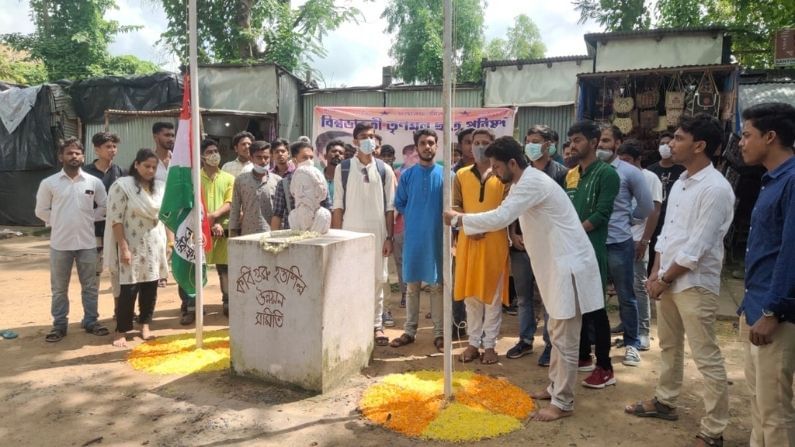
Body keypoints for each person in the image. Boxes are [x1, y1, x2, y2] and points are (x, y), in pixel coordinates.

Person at [443, 136, 604, 422]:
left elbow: (501, 217)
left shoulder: (531, 183)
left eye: (496, 166)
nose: (492, 171)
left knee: (565, 339)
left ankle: (563, 402)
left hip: (568, 268)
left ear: (513, 163)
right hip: (557, 268)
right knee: (556, 333)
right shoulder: (522, 183)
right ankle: (555, 387)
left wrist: (458, 220)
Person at [625, 114, 734, 447]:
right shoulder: (684, 181)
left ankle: (714, 429)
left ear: (699, 146)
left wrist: (665, 276)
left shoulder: (715, 188)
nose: (671, 143)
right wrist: (656, 271)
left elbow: (698, 247)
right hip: (670, 278)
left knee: (705, 355)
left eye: (679, 138)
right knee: (669, 345)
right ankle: (665, 400)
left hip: (694, 283)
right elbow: (667, 234)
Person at [737, 102, 795, 447]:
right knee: (759, 404)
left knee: (775, 410)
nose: (741, 142)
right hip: (756, 305)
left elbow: (791, 253)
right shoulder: (771, 180)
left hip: (775, 315)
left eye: (747, 135)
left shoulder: (791, 182)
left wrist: (774, 310)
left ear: (770, 137)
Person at [35, 137, 109, 343]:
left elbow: (104, 206)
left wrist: (89, 218)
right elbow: (40, 210)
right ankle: (59, 325)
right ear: (61, 157)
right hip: (60, 245)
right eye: (69, 153)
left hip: (87, 243)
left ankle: (91, 321)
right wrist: (57, 221)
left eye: (77, 153)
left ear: (83, 156)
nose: (74, 156)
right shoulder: (49, 183)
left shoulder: (93, 182)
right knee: (59, 289)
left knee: (91, 286)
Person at [564, 120, 619, 389]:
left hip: (591, 251)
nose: (573, 145)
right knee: (577, 306)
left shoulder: (607, 174)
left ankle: (605, 367)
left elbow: (601, 214)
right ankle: (583, 356)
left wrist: (574, 231)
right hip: (570, 252)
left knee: (596, 309)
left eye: (578, 140)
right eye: (571, 140)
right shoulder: (571, 174)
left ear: (594, 142)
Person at [507, 124, 568, 364]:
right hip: (521, 245)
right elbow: (509, 208)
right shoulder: (520, 173)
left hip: (548, 246)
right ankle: (525, 340)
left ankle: (550, 345)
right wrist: (513, 234)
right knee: (523, 297)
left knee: (548, 297)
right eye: (528, 140)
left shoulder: (563, 174)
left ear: (549, 145)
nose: (531, 145)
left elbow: (564, 213)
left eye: (536, 141)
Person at [332, 123, 396, 347]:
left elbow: (390, 207)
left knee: (377, 280)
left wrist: (389, 237)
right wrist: (337, 237)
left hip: (377, 233)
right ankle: (352, 324)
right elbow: (337, 205)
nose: (369, 140)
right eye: (363, 136)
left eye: (372, 136)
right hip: (350, 232)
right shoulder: (344, 168)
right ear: (355, 141)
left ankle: (376, 325)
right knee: (350, 280)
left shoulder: (384, 169)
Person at [596, 124, 653, 367]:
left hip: (619, 242)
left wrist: (629, 218)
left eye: (606, 141)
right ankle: (595, 342)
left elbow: (647, 206)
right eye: (598, 141)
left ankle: (632, 343)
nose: (601, 146)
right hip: (594, 243)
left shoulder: (630, 172)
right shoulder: (590, 170)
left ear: (618, 144)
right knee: (595, 296)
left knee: (626, 295)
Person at [453, 128, 509, 364]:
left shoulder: (503, 176)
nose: (479, 146)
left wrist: (482, 225)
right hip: (468, 240)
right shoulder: (461, 175)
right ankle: (473, 343)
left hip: (495, 241)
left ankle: (490, 345)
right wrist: (470, 227)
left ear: (493, 146)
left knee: (493, 297)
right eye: (476, 142)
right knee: (471, 296)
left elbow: (509, 210)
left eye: (485, 143)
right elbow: (454, 207)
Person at [105, 149, 169, 347]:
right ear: (136, 165)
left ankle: (145, 325)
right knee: (129, 288)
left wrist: (170, 242)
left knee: (150, 286)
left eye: (154, 167)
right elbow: (116, 220)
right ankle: (121, 330)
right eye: (146, 166)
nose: (150, 170)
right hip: (131, 245)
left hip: (154, 244)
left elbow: (165, 217)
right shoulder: (122, 186)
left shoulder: (160, 187)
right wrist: (123, 248)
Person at [390, 129, 444, 352]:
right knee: (411, 287)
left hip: (437, 238)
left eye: (431, 143)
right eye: (423, 143)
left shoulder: (446, 175)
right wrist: (416, 216)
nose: (427, 147)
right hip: (413, 238)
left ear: (436, 146)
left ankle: (440, 334)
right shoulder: (408, 176)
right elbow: (400, 203)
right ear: (416, 147)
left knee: (437, 287)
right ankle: (409, 331)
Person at [178, 139, 235, 324]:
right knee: (192, 268)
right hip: (195, 232)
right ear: (201, 156)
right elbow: (188, 205)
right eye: (209, 152)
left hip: (222, 231)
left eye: (216, 151)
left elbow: (230, 202)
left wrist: (214, 218)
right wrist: (204, 222)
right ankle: (191, 306)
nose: (214, 155)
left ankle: (228, 304)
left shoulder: (228, 178)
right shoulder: (192, 179)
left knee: (225, 269)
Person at [617, 141, 662, 351]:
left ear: (637, 160)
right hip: (621, 239)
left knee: (639, 287)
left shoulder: (650, 178)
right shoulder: (620, 176)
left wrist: (645, 241)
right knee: (623, 287)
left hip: (638, 241)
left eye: (627, 161)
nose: (623, 164)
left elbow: (654, 211)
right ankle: (627, 324)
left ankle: (643, 331)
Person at [83, 132, 125, 311]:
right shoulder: (84, 173)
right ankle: (91, 317)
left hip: (116, 231)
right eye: (108, 146)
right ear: (97, 149)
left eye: (114, 146)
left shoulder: (121, 172)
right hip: (92, 232)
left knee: (119, 272)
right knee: (93, 274)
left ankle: (120, 312)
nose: (112, 150)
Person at [646, 132, 685, 276]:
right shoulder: (651, 170)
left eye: (668, 144)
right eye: (662, 144)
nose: (665, 147)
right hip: (652, 218)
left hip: (671, 219)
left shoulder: (682, 171)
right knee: (651, 251)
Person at [270, 141, 330, 230]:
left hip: (318, 229)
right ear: (294, 160)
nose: (309, 161)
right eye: (305, 157)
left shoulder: (320, 179)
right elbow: (277, 215)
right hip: (293, 232)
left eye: (311, 157)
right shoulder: (284, 183)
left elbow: (328, 205)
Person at [229, 141, 281, 237]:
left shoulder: (278, 181)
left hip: (272, 235)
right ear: (251, 158)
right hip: (248, 234)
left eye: (266, 157)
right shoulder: (241, 180)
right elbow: (235, 208)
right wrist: (233, 232)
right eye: (259, 157)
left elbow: (281, 211)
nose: (263, 161)